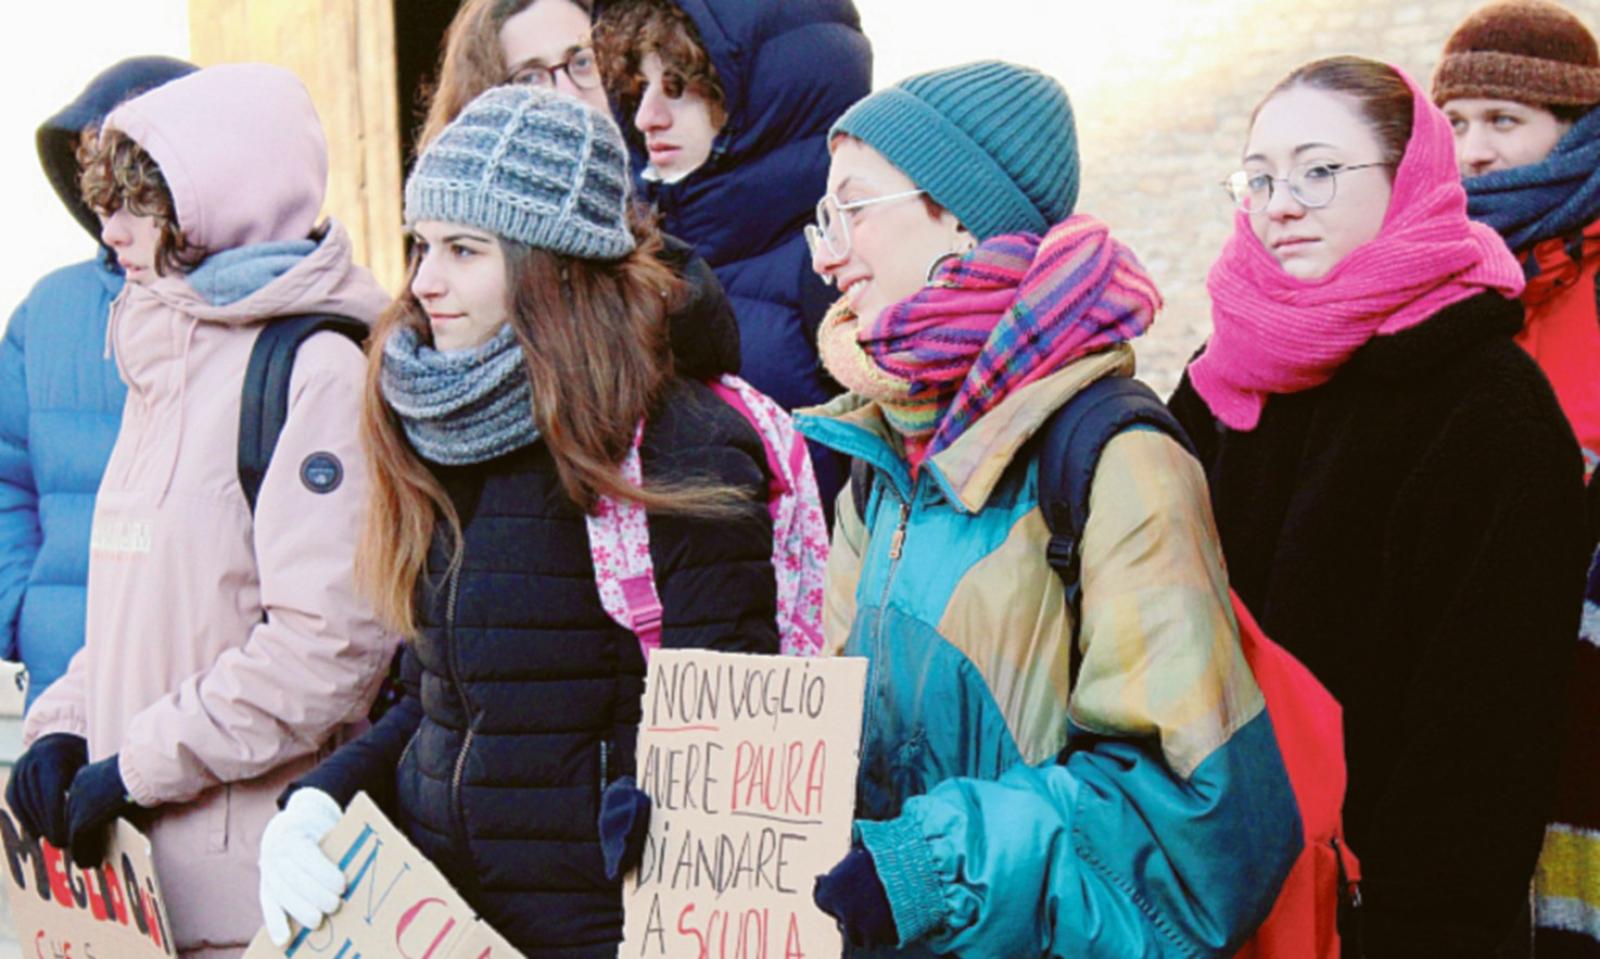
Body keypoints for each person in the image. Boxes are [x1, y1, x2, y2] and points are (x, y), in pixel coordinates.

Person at [254, 85, 781, 959]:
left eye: (465, 249)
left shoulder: (676, 446)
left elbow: (730, 772)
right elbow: (450, 703)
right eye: (423, 244)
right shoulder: (438, 421)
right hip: (438, 920)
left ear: (554, 264)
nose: (423, 281)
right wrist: (321, 799)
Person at [796, 60, 1299, 957]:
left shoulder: (1114, 460)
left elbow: (1194, 838)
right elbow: (841, 768)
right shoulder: (880, 457)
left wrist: (932, 869)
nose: (826, 254)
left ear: (955, 211)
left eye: (851, 210)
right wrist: (706, 835)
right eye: (820, 223)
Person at [1167, 55, 1590, 958]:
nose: (1281, 203)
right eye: (1260, 178)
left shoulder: (1489, 411)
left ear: (1411, 181)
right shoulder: (1222, 371)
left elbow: (1483, 750)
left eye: (1320, 171)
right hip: (1201, 894)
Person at [1, 64, 398, 959]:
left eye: (139, 200)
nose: (112, 229)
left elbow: (328, 647)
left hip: (252, 893)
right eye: (106, 201)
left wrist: (140, 761)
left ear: (220, 197)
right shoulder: (161, 355)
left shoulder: (313, 370)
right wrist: (62, 724)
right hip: (127, 886)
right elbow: (151, 612)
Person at [594, 0, 871, 511]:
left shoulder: (836, 265)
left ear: (765, 102)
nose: (645, 116)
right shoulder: (623, 255)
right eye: (640, 87)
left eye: (677, 87)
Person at [0, 56, 194, 711]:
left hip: (201, 702)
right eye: (99, 178)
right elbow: (4, 479)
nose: (115, 207)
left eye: (137, 179)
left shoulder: (255, 316)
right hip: (59, 690)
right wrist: (20, 610)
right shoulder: (45, 313)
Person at [1436, 0, 1600, 488]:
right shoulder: (1427, 275)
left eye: (1503, 120)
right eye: (1456, 124)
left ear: (1578, 130)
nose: (1473, 154)